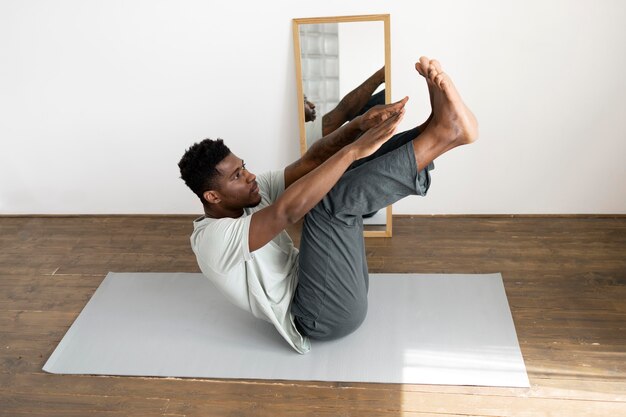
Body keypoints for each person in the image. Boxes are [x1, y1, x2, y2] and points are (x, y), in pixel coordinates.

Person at [178, 57, 478, 353]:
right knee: (324, 202)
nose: (250, 176)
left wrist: (358, 126)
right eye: (237, 176)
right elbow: (288, 211)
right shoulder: (212, 240)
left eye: (244, 167)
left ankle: (434, 129)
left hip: (328, 286)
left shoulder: (252, 195)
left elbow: (311, 161)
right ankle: (444, 135)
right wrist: (352, 151)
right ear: (212, 197)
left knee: (328, 176)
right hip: (318, 317)